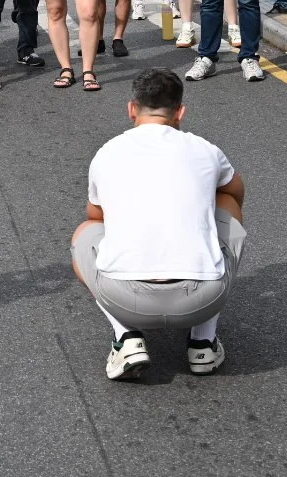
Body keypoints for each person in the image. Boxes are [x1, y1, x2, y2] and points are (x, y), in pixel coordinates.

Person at [70, 68, 245, 380]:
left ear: (132, 109)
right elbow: (235, 193)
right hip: (203, 299)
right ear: (180, 112)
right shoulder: (205, 149)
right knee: (227, 203)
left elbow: (95, 216)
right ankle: (203, 341)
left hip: (126, 299)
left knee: (84, 233)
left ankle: (126, 338)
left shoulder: (107, 152)